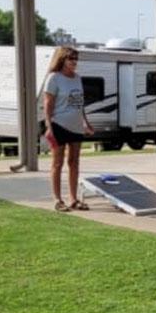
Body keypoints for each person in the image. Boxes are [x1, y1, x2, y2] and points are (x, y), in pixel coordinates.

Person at [43, 46, 94, 212]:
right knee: (57, 163)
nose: (74, 62)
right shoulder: (54, 78)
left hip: (76, 126)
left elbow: (80, 103)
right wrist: (49, 127)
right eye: (71, 59)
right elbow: (48, 105)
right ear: (62, 60)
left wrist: (86, 122)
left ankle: (73, 199)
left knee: (74, 162)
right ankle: (58, 199)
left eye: (76, 59)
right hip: (58, 125)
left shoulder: (77, 78)